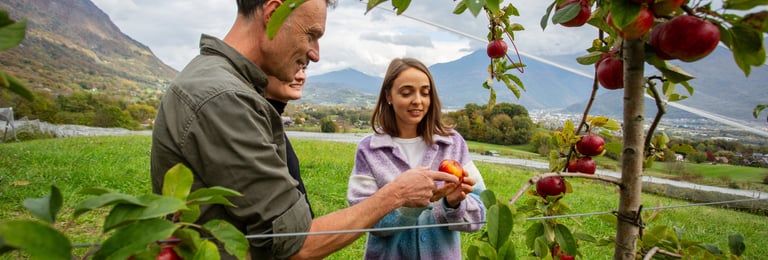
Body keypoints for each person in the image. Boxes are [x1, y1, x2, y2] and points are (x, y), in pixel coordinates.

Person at [149, 1, 459, 259]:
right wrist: (395, 194)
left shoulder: (231, 88)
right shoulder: (225, 99)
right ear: (273, 14)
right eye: (311, 34)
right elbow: (296, 241)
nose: (315, 53)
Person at [347, 57, 487, 259]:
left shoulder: (453, 144)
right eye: (406, 93)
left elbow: (480, 214)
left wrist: (454, 205)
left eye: (425, 93)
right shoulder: (370, 150)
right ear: (388, 96)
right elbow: (363, 219)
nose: (418, 101)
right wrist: (408, 203)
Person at [265, 67, 313, 217]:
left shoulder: (273, 123)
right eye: (294, 67)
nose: (301, 77)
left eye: (304, 69)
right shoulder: (260, 126)